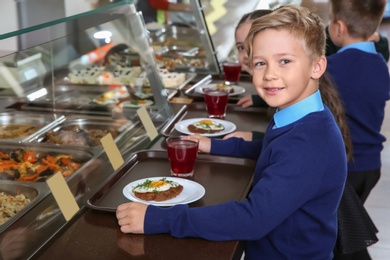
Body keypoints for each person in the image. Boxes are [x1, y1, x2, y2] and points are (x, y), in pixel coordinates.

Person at [116, 5, 348, 259]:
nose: (270, 74)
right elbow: (273, 152)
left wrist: (159, 219)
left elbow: (253, 218)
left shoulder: (308, 142)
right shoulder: (301, 117)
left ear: (317, 66)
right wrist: (218, 146)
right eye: (260, 63)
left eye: (285, 61)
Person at [326, 0, 390, 258]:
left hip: (345, 168)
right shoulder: (380, 65)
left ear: (339, 27)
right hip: (370, 168)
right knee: (346, 231)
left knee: (340, 236)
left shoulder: (330, 68)